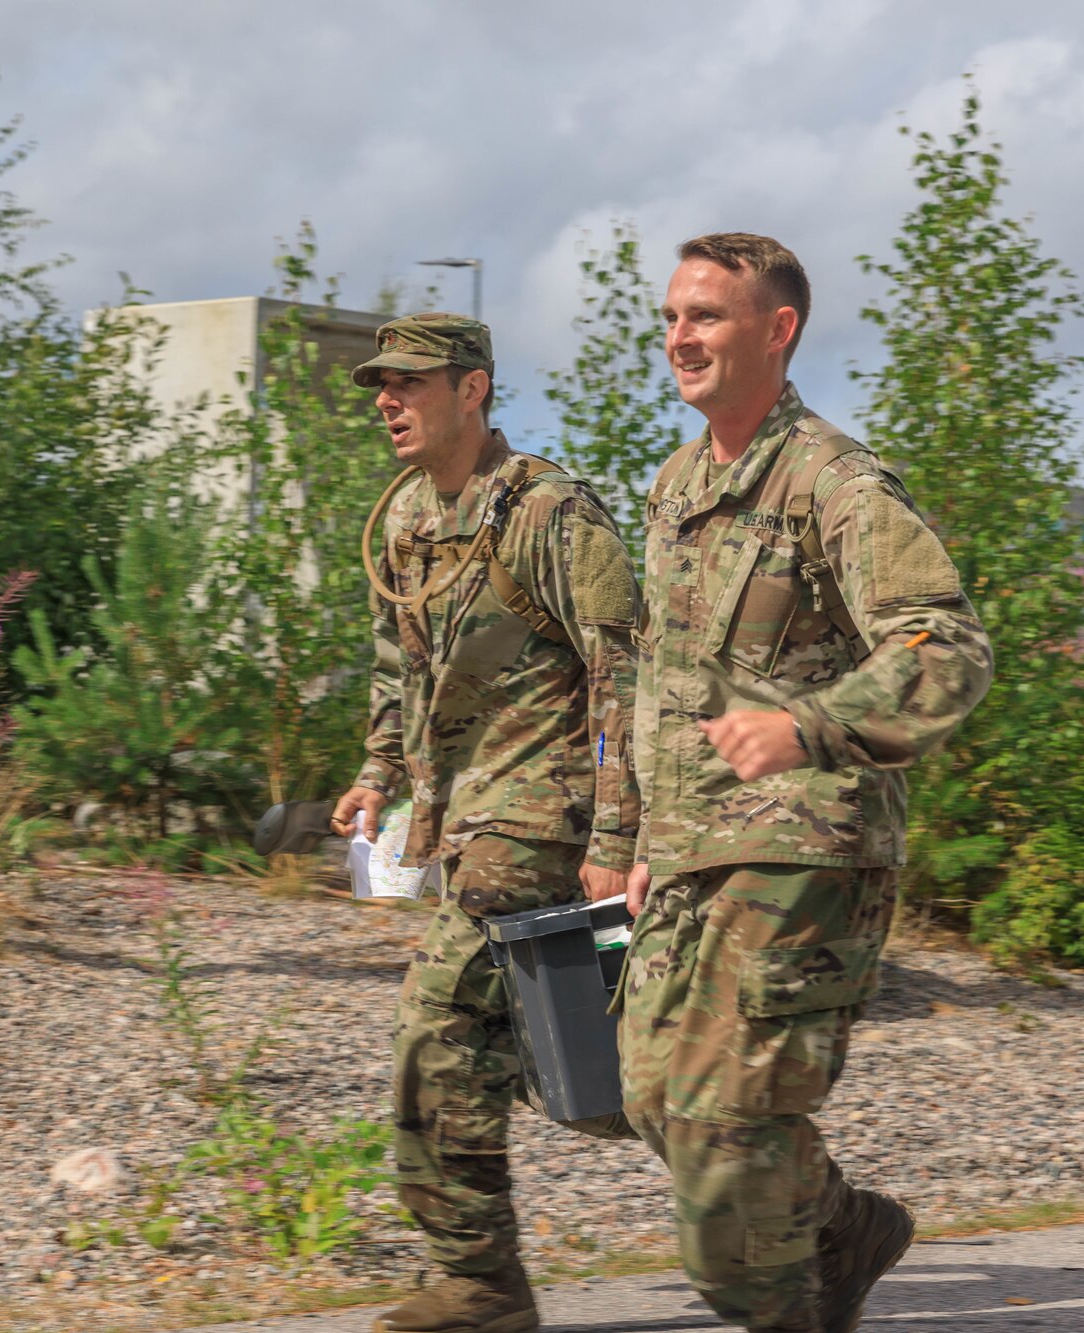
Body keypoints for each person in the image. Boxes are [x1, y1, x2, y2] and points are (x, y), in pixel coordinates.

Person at [618, 234, 994, 1333]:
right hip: (695, 846)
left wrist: (810, 724)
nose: (680, 337)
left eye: (708, 316)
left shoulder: (831, 481)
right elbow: (664, 681)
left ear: (777, 331)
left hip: (806, 850)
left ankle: (783, 1299)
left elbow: (946, 648)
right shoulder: (676, 483)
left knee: (724, 1146)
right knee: (647, 1095)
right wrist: (642, 833)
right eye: (673, 316)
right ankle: (840, 1231)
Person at [332, 312, 644, 1333]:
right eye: (379, 383)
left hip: (544, 819)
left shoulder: (550, 513)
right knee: (596, 1074)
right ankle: (804, 1217)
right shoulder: (402, 521)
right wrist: (379, 771)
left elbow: (623, 675)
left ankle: (480, 1283)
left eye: (408, 383)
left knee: (438, 1026)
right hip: (463, 819)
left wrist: (613, 836)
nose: (387, 400)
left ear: (471, 391)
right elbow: (401, 663)